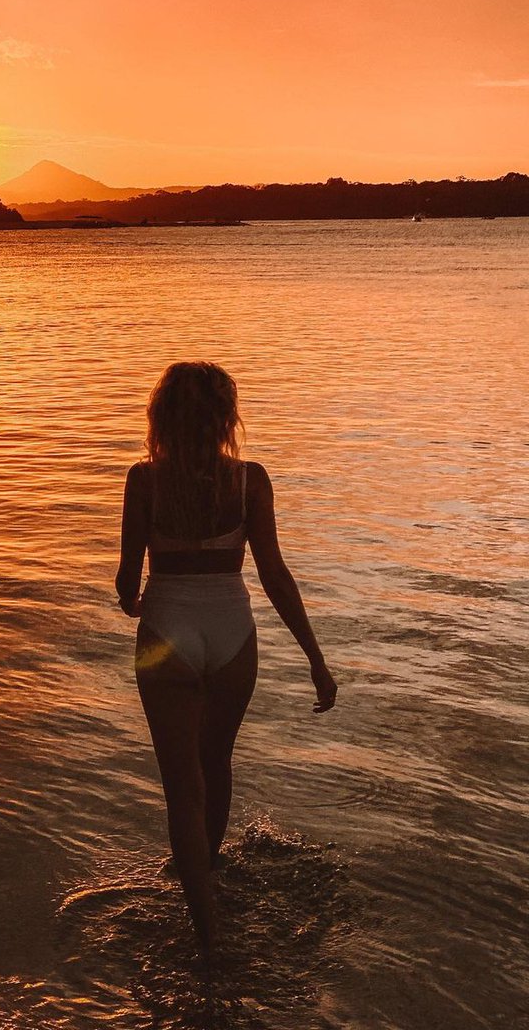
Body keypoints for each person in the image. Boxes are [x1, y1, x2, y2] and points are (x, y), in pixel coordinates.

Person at [115, 361, 337, 965]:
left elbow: (126, 581)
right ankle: (207, 870)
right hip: (234, 636)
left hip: (167, 635)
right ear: (224, 417)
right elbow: (274, 576)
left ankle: (207, 935)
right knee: (216, 764)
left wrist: (134, 601)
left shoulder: (143, 480)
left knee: (181, 788)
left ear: (161, 416)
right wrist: (316, 660)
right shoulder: (250, 481)